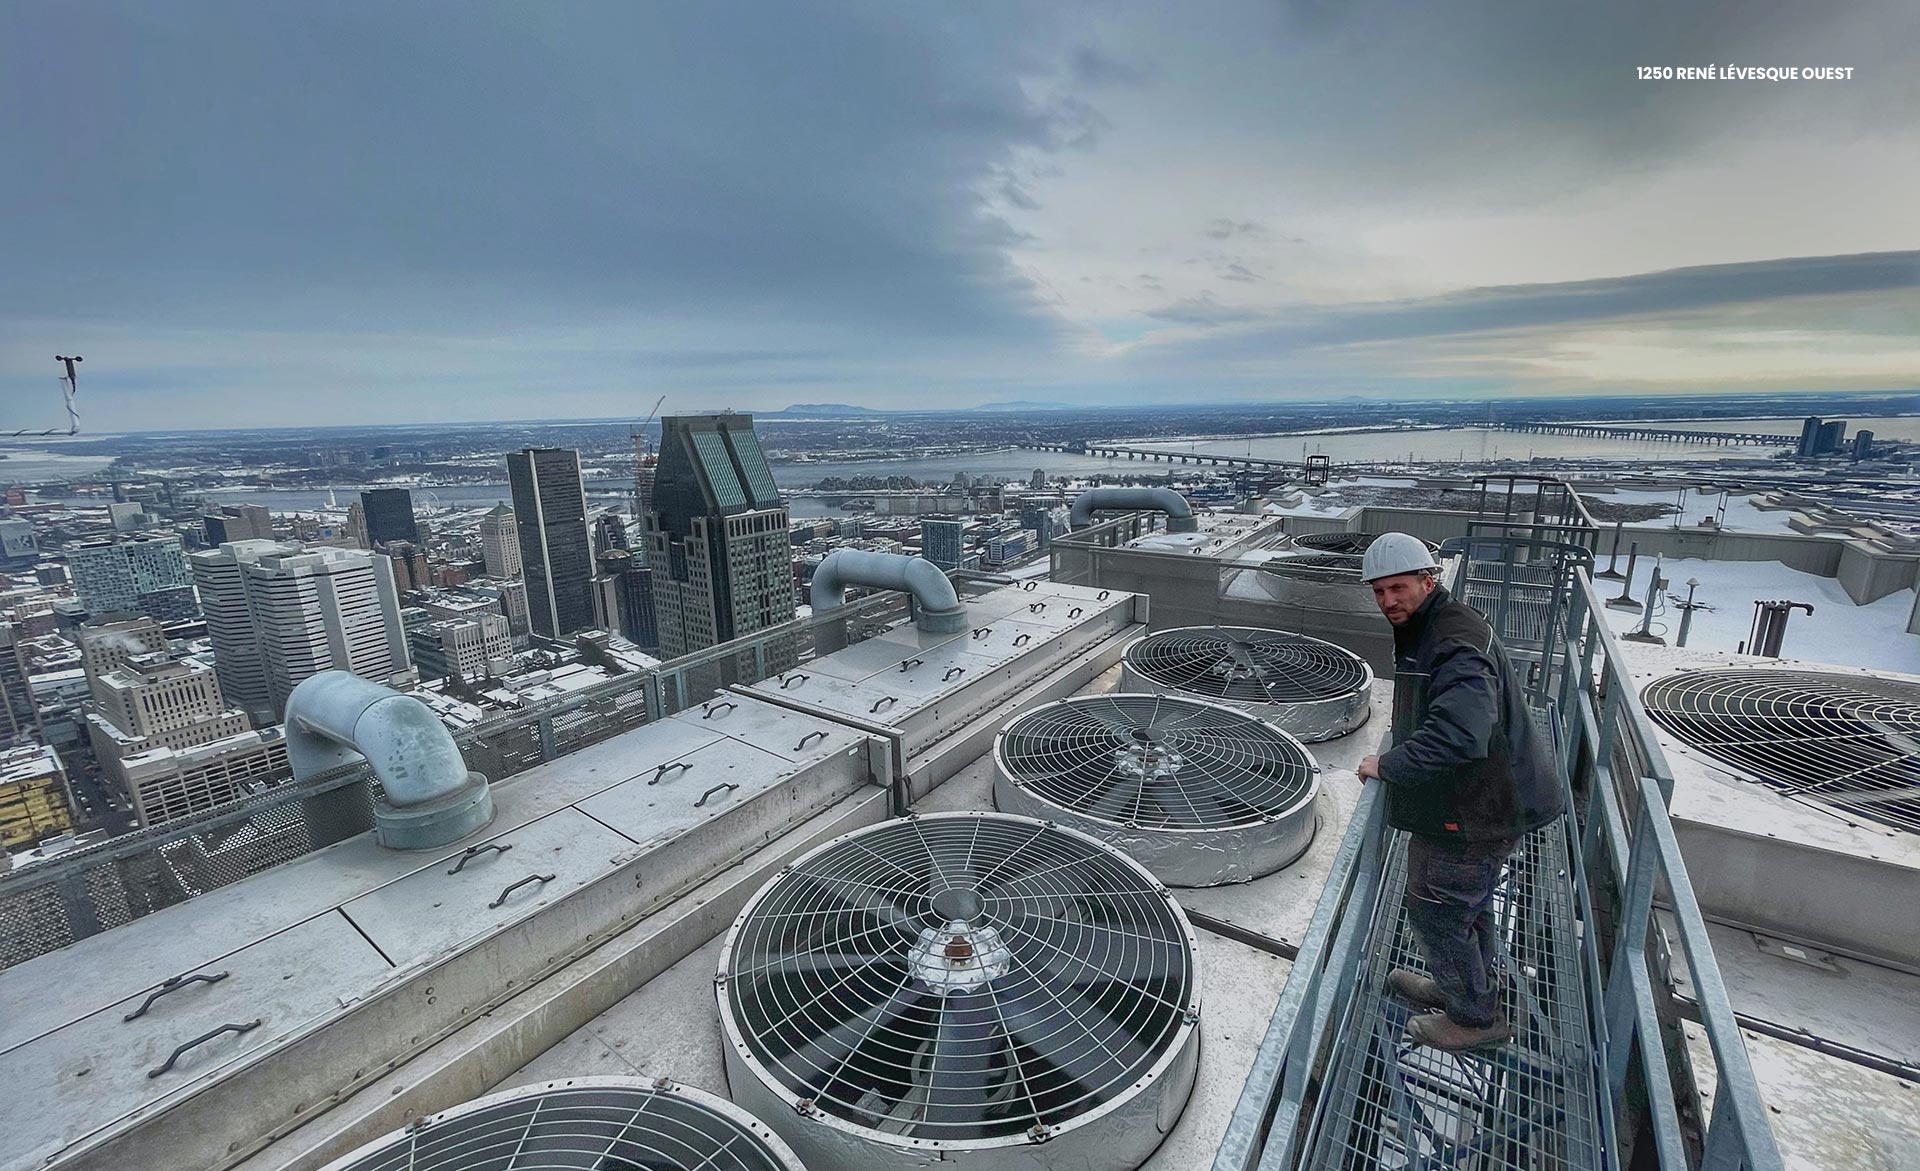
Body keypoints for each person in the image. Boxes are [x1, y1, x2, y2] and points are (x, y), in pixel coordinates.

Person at [1354, 533, 1566, 1052]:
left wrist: (1387, 764)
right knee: (1466, 909)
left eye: (1398, 588)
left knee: (1438, 911)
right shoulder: (1441, 624)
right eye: (1379, 591)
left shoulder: (1451, 641)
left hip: (1475, 811)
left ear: (1429, 581)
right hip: (1481, 802)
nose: (1388, 602)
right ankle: (1464, 990)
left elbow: (1459, 735)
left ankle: (1474, 1019)